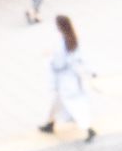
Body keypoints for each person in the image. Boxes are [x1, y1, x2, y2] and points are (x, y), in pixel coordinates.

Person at [38, 14, 97, 142]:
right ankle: (50, 124)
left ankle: (88, 128)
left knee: (74, 105)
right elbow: (80, 59)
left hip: (64, 81)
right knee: (56, 103)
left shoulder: (62, 43)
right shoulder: (73, 39)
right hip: (71, 78)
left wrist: (48, 59)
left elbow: (57, 63)